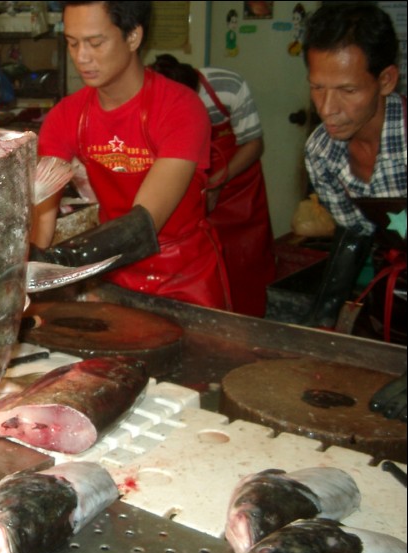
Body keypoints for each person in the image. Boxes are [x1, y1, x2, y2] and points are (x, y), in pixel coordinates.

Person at [30, 1, 231, 310]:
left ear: (134, 37)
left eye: (95, 43)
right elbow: (43, 216)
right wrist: (27, 273)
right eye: (72, 43)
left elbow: (145, 221)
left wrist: (59, 262)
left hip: (184, 276)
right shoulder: (66, 117)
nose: (81, 57)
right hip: (113, 273)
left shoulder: (181, 108)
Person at [302, 2, 406, 421]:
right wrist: (319, 325)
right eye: (317, 88)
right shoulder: (322, 152)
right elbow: (356, 236)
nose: (328, 108)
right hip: (392, 306)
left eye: (347, 90)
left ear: (385, 80)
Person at [150, 54, 277, 317]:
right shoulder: (150, 97)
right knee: (199, 264)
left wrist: (217, 183)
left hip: (238, 186)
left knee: (244, 264)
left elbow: (254, 144)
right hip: (190, 182)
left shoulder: (227, 86)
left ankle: (252, 325)